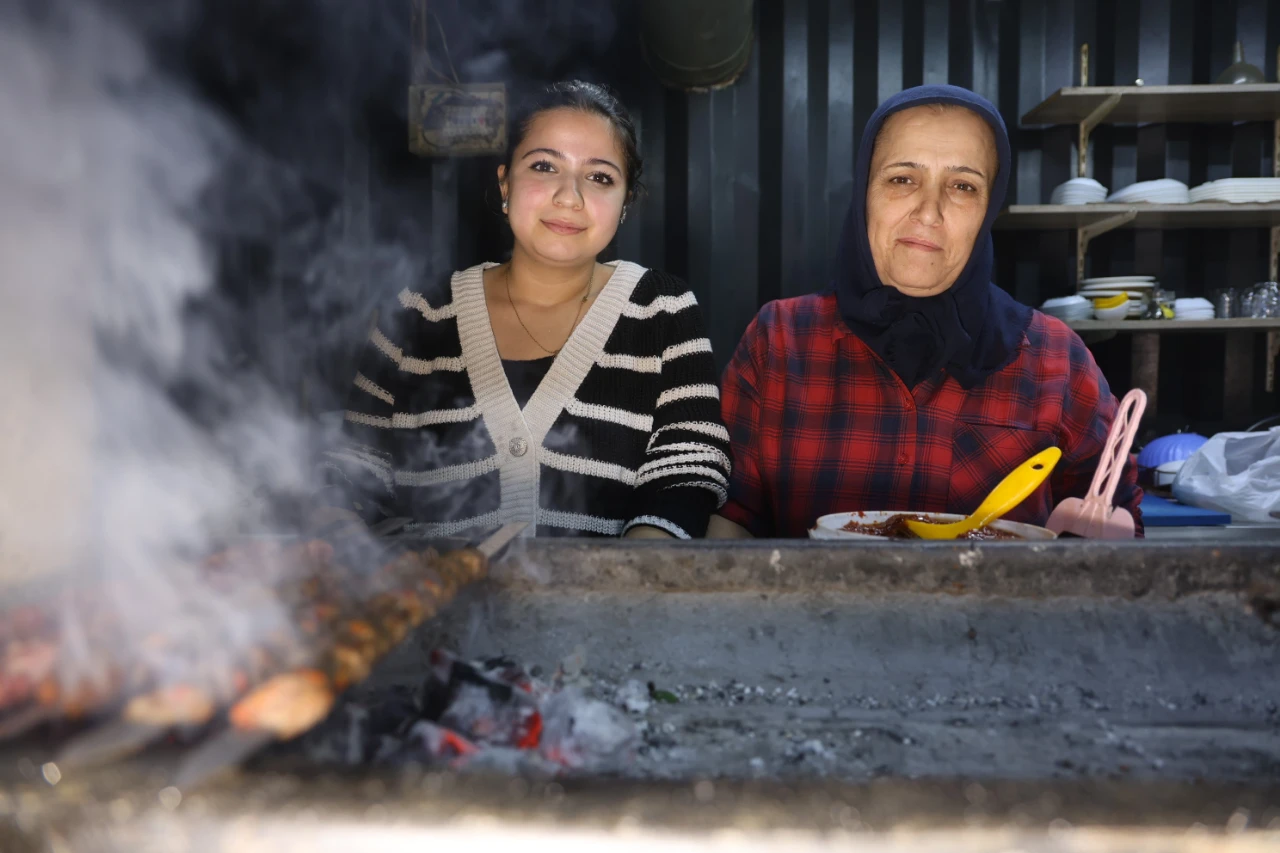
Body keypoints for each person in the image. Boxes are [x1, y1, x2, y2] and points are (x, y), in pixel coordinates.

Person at [709, 84, 1141, 539]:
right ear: (865, 193)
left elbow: (1113, 521)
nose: (929, 211)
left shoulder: (1056, 359)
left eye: (962, 186)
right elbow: (730, 518)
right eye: (902, 179)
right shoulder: (779, 341)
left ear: (988, 209)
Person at [319, 81, 730, 539]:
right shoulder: (418, 314)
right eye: (543, 166)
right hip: (430, 606)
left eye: (599, 177)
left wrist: (625, 588)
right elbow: (354, 465)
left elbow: (689, 470)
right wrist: (337, 535)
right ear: (505, 184)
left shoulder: (661, 309)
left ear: (625, 203)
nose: (569, 197)